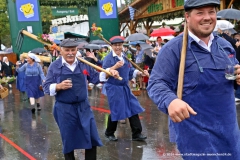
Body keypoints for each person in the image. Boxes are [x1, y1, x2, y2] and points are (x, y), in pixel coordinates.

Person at [147, 0, 240, 159]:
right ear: (187, 17)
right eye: (200, 13)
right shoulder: (173, 49)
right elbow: (156, 83)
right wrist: (170, 101)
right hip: (196, 135)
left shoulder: (225, 46)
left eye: (211, 12)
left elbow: (233, 79)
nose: (207, 17)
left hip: (229, 131)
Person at [42, 39, 119, 160]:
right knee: (69, 140)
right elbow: (46, 87)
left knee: (91, 137)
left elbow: (95, 77)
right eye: (67, 50)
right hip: (64, 109)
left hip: (83, 107)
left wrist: (109, 72)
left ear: (77, 50)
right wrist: (58, 86)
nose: (70, 53)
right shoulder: (55, 66)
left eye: (73, 50)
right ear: (61, 51)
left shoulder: (83, 63)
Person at [102, 36, 148, 141]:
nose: (118, 47)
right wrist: (114, 68)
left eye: (120, 45)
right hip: (113, 87)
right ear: (112, 46)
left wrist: (140, 72)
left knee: (133, 107)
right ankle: (109, 133)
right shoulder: (109, 58)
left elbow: (130, 70)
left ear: (122, 45)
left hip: (125, 87)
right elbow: (104, 74)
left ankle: (136, 133)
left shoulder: (125, 57)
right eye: (115, 45)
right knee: (116, 109)